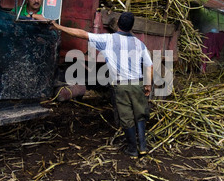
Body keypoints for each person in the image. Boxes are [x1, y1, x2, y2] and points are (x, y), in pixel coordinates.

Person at [50, 12, 153, 158]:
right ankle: (143, 146)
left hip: (121, 85)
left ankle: (132, 149)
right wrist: (148, 85)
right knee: (140, 113)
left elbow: (82, 34)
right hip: (138, 83)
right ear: (132, 26)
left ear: (117, 24)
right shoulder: (139, 44)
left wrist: (58, 26)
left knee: (126, 116)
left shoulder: (108, 39)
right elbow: (149, 65)